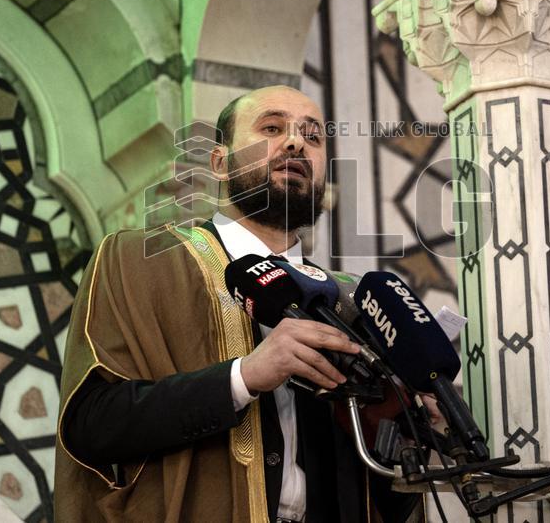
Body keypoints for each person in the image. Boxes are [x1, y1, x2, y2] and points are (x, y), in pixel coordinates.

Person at [54, 85, 425, 522]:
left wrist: (404, 425)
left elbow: (385, 498)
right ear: (218, 162)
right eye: (272, 127)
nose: (295, 142)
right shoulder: (138, 261)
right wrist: (243, 377)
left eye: (313, 136)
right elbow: (92, 425)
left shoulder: (348, 300)